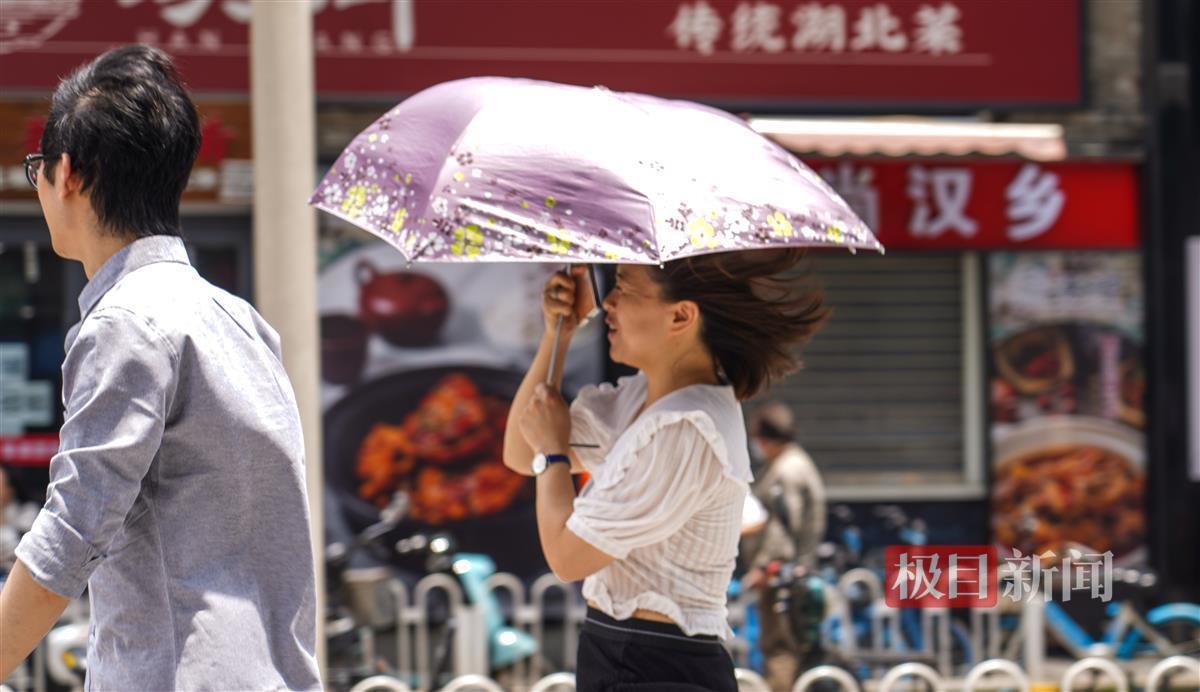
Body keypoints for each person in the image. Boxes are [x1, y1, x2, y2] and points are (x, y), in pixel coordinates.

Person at [0, 45, 322, 690]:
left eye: (37, 166)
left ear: (68, 174)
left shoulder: (125, 324)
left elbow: (70, 532)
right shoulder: (239, 320)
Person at [503, 251, 827, 691]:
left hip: (657, 664)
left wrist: (554, 456)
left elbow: (567, 557)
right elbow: (522, 451)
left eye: (626, 288)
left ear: (680, 317)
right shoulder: (643, 400)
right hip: (625, 653)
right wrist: (557, 336)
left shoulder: (685, 426)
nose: (608, 303)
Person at [740, 401, 828, 691]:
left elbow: (781, 527)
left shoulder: (787, 471)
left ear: (765, 438)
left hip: (783, 575)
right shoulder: (791, 463)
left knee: (779, 647)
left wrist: (766, 567)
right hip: (790, 571)